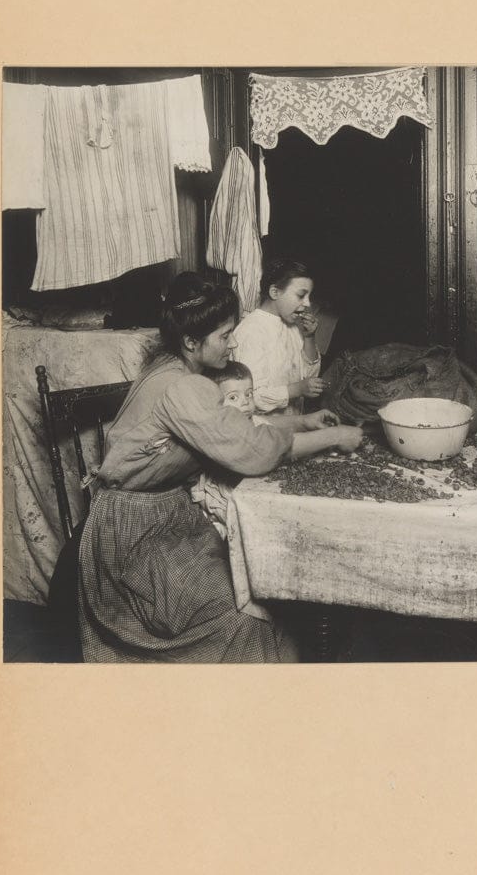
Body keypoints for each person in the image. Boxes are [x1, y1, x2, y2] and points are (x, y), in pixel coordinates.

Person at [78, 272, 362, 664]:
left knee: (263, 591)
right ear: (192, 342)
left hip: (167, 519)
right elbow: (252, 451)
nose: (233, 342)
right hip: (133, 538)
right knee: (247, 615)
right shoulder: (182, 388)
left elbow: (229, 427)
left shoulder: (176, 368)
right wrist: (333, 438)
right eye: (225, 335)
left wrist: (299, 422)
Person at [232, 257, 326, 418]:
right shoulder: (251, 331)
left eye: (309, 296)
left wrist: (309, 337)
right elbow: (251, 398)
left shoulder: (291, 326)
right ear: (274, 292)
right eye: (301, 295)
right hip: (264, 430)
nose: (308, 303)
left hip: (294, 421)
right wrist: (296, 390)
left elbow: (309, 378)